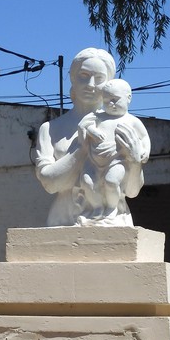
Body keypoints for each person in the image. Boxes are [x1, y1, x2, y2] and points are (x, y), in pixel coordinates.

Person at [35, 48, 147, 227]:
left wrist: (134, 162)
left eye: (99, 78)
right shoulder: (50, 129)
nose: (91, 84)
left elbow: (132, 192)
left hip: (113, 223)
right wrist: (83, 148)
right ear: (72, 78)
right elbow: (50, 184)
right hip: (62, 223)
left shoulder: (125, 125)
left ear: (110, 82)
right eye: (84, 75)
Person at [76, 78, 150, 225]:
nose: (111, 103)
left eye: (115, 99)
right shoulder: (97, 116)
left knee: (111, 181)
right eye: (106, 100)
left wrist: (145, 151)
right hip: (93, 159)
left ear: (128, 98)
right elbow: (83, 127)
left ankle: (111, 208)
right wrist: (92, 131)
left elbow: (144, 137)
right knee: (87, 183)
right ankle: (97, 208)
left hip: (117, 160)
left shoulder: (132, 121)